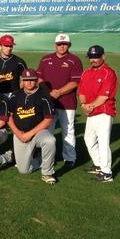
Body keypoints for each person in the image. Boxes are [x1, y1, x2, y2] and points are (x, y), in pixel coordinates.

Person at [37, 33, 83, 169]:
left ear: (69, 45)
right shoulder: (45, 59)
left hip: (67, 103)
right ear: (54, 45)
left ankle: (70, 158)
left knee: (68, 131)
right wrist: (49, 93)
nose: (62, 46)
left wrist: (58, 92)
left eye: (65, 44)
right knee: (46, 131)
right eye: (59, 44)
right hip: (48, 102)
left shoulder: (74, 60)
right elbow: (39, 79)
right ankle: (45, 157)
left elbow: (75, 82)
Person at [8, 69, 57, 184]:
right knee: (24, 170)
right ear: (22, 81)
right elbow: (8, 118)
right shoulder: (15, 95)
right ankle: (39, 159)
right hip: (20, 133)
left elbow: (48, 120)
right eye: (26, 80)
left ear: (36, 81)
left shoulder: (44, 96)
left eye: (32, 80)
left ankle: (47, 172)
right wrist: (18, 133)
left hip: (38, 133)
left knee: (50, 140)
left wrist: (29, 134)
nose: (29, 82)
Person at [78, 45, 118, 183]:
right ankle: (99, 164)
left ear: (103, 56)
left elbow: (104, 96)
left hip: (104, 112)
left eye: (96, 56)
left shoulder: (108, 72)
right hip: (91, 112)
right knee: (88, 140)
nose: (93, 59)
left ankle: (107, 173)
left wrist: (90, 106)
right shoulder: (86, 73)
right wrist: (83, 105)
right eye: (91, 57)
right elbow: (81, 92)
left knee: (103, 142)